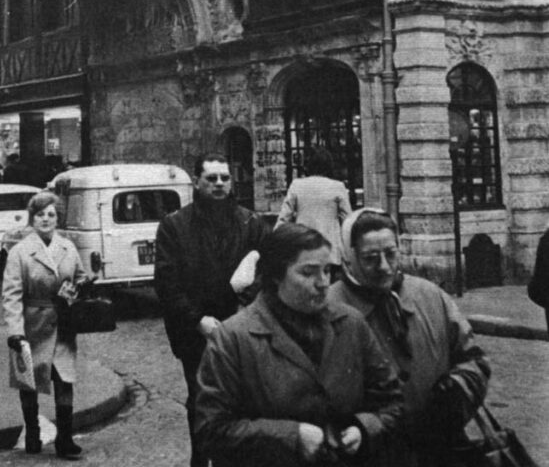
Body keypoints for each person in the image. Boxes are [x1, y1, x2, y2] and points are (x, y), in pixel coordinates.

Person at [195, 224, 403, 467]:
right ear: (276, 276)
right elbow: (210, 429)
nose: (323, 282)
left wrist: (364, 429)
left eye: (327, 271)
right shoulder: (233, 338)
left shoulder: (351, 323)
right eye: (308, 273)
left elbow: (391, 401)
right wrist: (291, 437)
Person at [330, 207, 490, 467]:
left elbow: (475, 360)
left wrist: (453, 396)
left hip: (438, 450)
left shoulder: (428, 296)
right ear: (349, 258)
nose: (384, 266)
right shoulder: (328, 311)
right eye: (370, 258)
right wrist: (363, 428)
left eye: (391, 254)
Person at [154, 151, 268, 467]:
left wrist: (247, 312)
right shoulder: (175, 227)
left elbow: (268, 275)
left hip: (243, 329)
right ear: (197, 182)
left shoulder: (251, 223)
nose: (219, 184)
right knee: (203, 401)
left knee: (244, 402)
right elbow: (168, 284)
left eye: (224, 178)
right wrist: (197, 320)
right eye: (211, 178)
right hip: (198, 333)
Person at [2, 191, 88, 459]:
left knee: (64, 379)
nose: (46, 219)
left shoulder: (68, 247)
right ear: (32, 218)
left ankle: (65, 438)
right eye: (40, 214)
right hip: (32, 324)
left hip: (62, 323)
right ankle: (33, 430)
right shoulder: (19, 252)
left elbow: (81, 276)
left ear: (57, 218)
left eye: (51, 214)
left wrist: (76, 288)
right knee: (29, 381)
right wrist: (15, 332)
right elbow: (11, 294)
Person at [275, 147, 351, 273]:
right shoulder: (338, 187)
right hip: (330, 249)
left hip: (303, 246)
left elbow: (284, 218)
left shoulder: (297, 185)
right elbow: (348, 220)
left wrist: (275, 241)